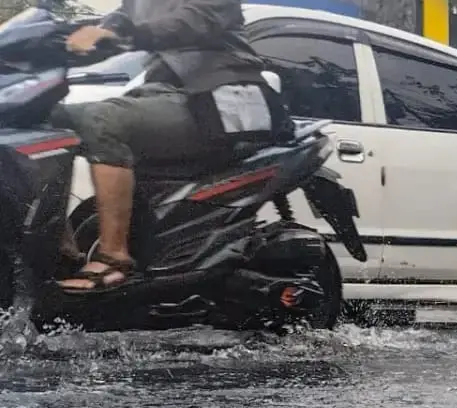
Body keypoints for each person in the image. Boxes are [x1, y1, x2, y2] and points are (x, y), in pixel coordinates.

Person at [54, 0, 290, 293]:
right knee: (52, 119)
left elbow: (190, 21)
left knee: (101, 120)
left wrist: (123, 32)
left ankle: (114, 256)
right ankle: (59, 252)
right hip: (167, 94)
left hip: (218, 97)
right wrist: (59, 38)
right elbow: (119, 21)